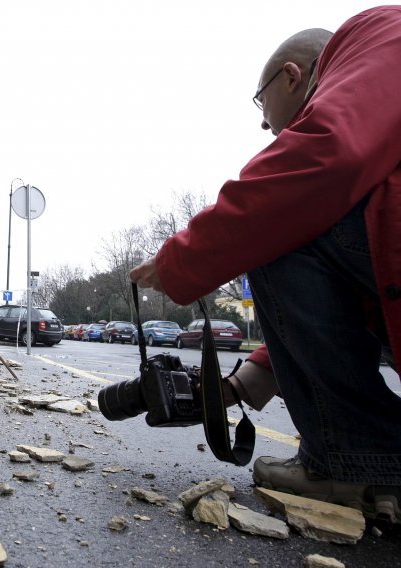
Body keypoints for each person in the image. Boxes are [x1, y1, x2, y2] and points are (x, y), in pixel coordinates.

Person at [130, 6, 401, 523]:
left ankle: (360, 460)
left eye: (261, 102)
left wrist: (182, 261)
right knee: (299, 219)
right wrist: (242, 384)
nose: (262, 122)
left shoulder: (382, 32)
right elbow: (350, 291)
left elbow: (319, 162)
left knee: (281, 221)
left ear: (292, 75)